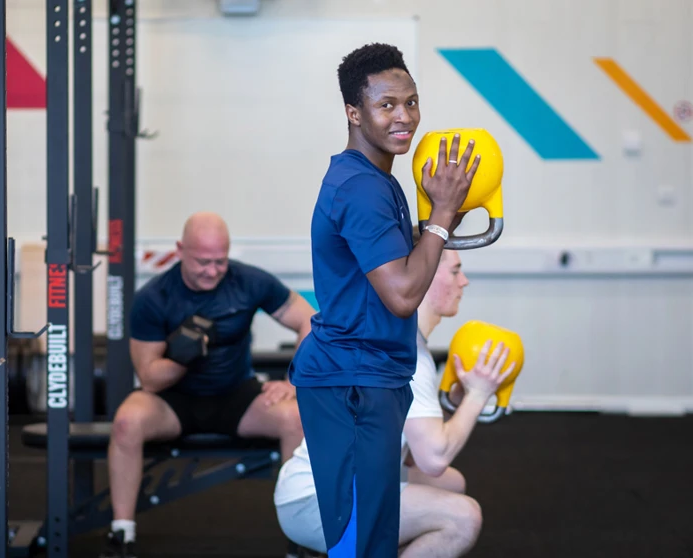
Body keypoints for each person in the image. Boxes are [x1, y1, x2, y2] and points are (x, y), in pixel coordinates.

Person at [288, 42, 482, 557]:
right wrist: (440, 217)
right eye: (387, 105)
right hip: (351, 382)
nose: (405, 117)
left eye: (412, 102)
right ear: (354, 113)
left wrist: (442, 222)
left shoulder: (379, 180)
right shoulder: (362, 188)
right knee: (360, 544)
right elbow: (401, 295)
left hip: (371, 375)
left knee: (371, 538)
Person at [275, 231, 515, 557]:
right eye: (456, 271)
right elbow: (433, 458)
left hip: (323, 486)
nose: (465, 282)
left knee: (451, 483)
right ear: (426, 277)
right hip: (313, 500)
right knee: (462, 517)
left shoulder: (404, 343)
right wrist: (478, 395)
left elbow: (414, 451)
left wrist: (456, 401)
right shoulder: (409, 356)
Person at [99, 212, 316, 558]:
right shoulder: (155, 298)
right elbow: (150, 377)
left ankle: (301, 536)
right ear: (180, 250)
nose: (213, 271)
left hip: (235, 395)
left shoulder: (248, 282)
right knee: (127, 422)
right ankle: (121, 534)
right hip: (173, 401)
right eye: (203, 262)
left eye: (220, 261)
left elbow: (308, 319)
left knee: (296, 417)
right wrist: (183, 357)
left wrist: (294, 378)